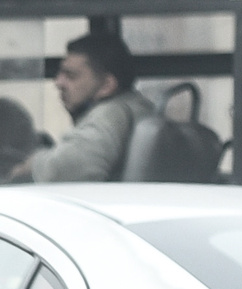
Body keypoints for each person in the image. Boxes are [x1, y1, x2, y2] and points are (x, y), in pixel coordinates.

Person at [8, 33, 154, 183]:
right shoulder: (138, 108)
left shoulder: (112, 113)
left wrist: (31, 165)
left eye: (71, 76)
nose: (58, 82)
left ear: (106, 85)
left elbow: (68, 169)